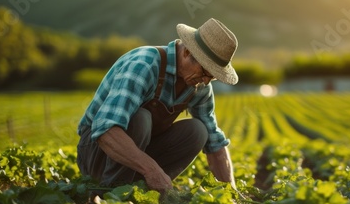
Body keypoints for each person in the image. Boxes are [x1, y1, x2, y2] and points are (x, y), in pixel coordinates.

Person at [76, 18, 239, 193]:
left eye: (212, 76)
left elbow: (215, 144)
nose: (206, 81)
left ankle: (143, 189)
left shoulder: (199, 86)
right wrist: (152, 170)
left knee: (198, 131)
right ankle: (112, 191)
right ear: (187, 53)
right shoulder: (144, 65)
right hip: (96, 151)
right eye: (206, 71)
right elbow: (105, 130)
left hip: (138, 154)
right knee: (140, 118)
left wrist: (232, 194)